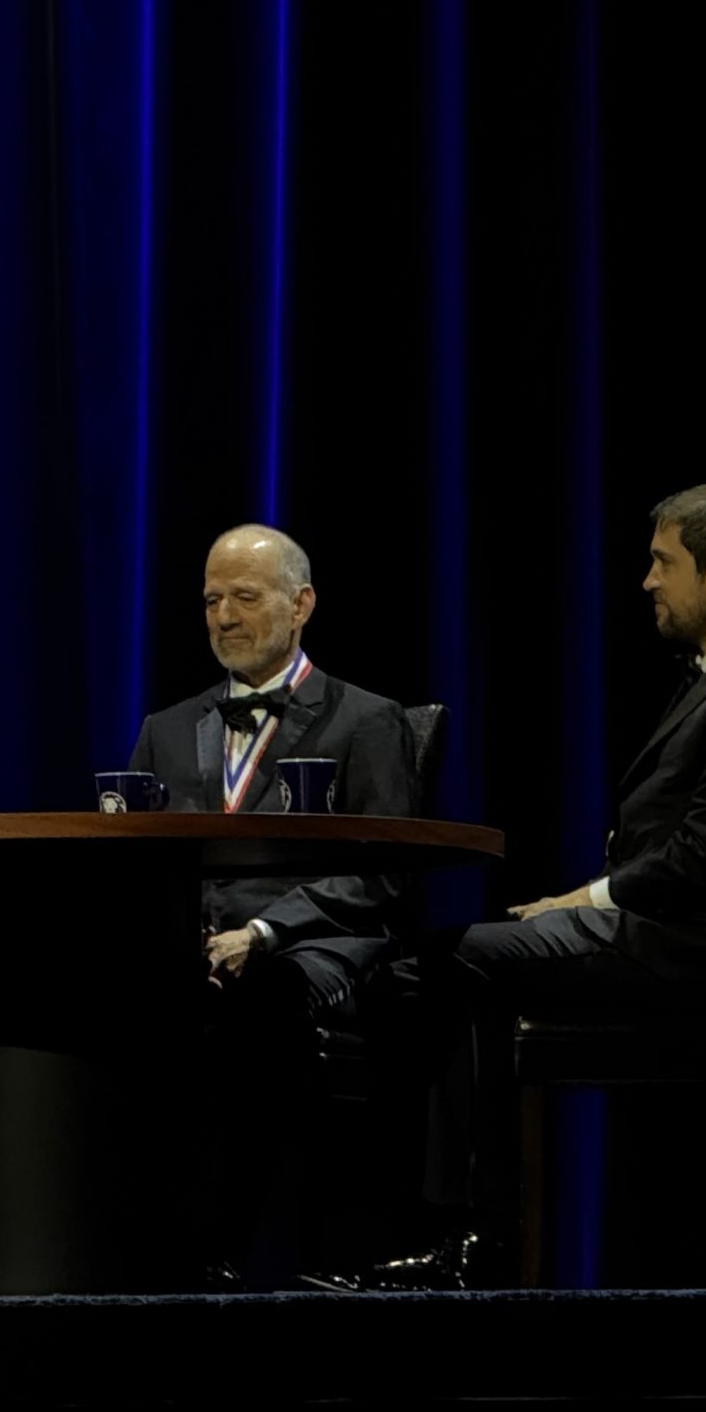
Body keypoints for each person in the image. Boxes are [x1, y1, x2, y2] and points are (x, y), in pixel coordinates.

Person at [373, 481, 706, 1287]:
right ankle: (475, 1230)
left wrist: (589, 898)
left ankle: (466, 1239)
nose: (648, 581)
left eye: (663, 562)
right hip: (656, 931)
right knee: (439, 962)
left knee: (450, 960)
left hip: (687, 953)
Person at [126, 523, 419, 1284]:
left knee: (263, 999)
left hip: (318, 942)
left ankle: (237, 1248)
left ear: (302, 604)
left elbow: (381, 875)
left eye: (245, 597)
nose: (223, 616)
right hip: (194, 948)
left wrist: (260, 930)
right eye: (211, 599)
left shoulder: (368, 721)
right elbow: (135, 860)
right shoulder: (166, 729)